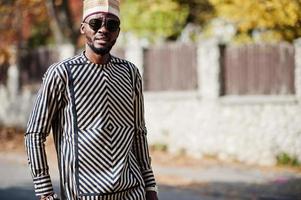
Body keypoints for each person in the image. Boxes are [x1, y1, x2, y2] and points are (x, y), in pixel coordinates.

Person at [24, 0, 158, 199]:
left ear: (118, 32)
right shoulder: (62, 73)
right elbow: (34, 134)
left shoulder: (130, 73)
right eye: (96, 23)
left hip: (132, 191)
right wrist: (44, 192)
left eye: (111, 25)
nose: (104, 30)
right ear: (83, 28)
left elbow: (138, 132)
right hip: (83, 194)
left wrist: (150, 187)